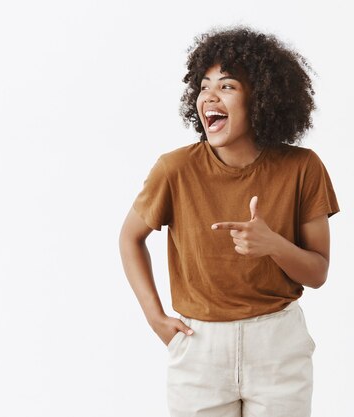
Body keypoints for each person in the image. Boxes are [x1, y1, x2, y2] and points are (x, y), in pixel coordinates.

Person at [118, 25, 340, 417]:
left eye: (227, 86)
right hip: (200, 347)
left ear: (263, 98)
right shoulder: (175, 169)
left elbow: (318, 272)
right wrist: (155, 317)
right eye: (204, 87)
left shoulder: (303, 167)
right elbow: (130, 238)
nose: (210, 97)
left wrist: (273, 244)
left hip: (277, 345)